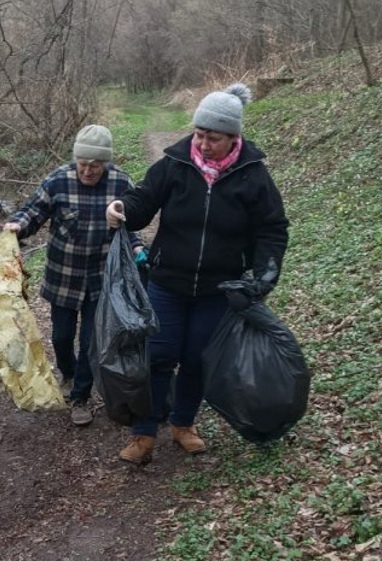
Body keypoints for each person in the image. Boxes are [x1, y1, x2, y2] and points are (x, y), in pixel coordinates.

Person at [106, 83, 289, 463]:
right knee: (158, 355)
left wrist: (264, 274)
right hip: (167, 282)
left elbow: (272, 228)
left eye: (214, 138)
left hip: (218, 290)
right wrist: (122, 206)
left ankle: (183, 424)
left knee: (197, 359)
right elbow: (144, 199)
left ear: (233, 137)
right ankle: (143, 434)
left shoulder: (253, 175)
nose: (203, 144)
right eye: (199, 134)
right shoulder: (176, 164)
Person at [4, 125, 143, 426]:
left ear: (105, 163)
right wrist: (16, 226)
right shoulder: (58, 180)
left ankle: (80, 396)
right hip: (63, 278)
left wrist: (138, 248)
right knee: (62, 336)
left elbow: (131, 225)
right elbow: (33, 212)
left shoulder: (121, 183)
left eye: (95, 165)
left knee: (92, 341)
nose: (88, 170)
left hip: (102, 280)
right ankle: (67, 372)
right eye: (83, 163)